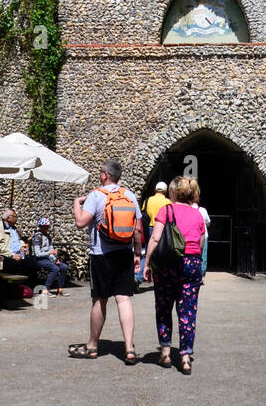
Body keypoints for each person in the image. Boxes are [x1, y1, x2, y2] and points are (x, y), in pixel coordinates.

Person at [70, 159, 142, 363]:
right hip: (124, 254)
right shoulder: (129, 195)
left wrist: (77, 204)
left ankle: (92, 346)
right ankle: (129, 348)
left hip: (101, 254)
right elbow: (137, 228)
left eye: (100, 171)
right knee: (124, 298)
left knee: (100, 299)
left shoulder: (95, 195)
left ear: (105, 175)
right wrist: (137, 254)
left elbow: (80, 223)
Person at [142, 176, 206, 373]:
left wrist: (147, 263)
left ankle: (166, 353)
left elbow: (155, 238)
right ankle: (185, 358)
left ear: (173, 192)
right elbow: (201, 243)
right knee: (188, 312)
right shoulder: (198, 215)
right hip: (192, 264)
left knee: (163, 307)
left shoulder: (166, 210)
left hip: (168, 264)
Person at [0, 209, 40, 288]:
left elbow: (18, 240)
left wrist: (23, 246)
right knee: (14, 265)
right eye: (15, 216)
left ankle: (30, 288)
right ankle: (15, 288)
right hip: (5, 256)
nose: (17, 218)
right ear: (9, 218)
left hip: (18, 254)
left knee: (32, 263)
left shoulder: (13, 228)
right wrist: (12, 255)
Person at [29, 218, 68, 295]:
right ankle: (46, 289)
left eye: (47, 227)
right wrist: (50, 253)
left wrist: (55, 259)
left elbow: (51, 250)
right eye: (45, 227)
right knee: (55, 268)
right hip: (38, 259)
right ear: (40, 227)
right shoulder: (37, 238)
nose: (46, 229)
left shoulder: (48, 237)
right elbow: (37, 254)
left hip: (48, 258)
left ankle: (60, 288)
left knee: (64, 267)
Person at [190, 180, 211, 280]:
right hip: (204, 236)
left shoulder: (187, 209)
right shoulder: (203, 210)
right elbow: (208, 222)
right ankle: (201, 274)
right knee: (203, 255)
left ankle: (191, 271)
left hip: (191, 236)